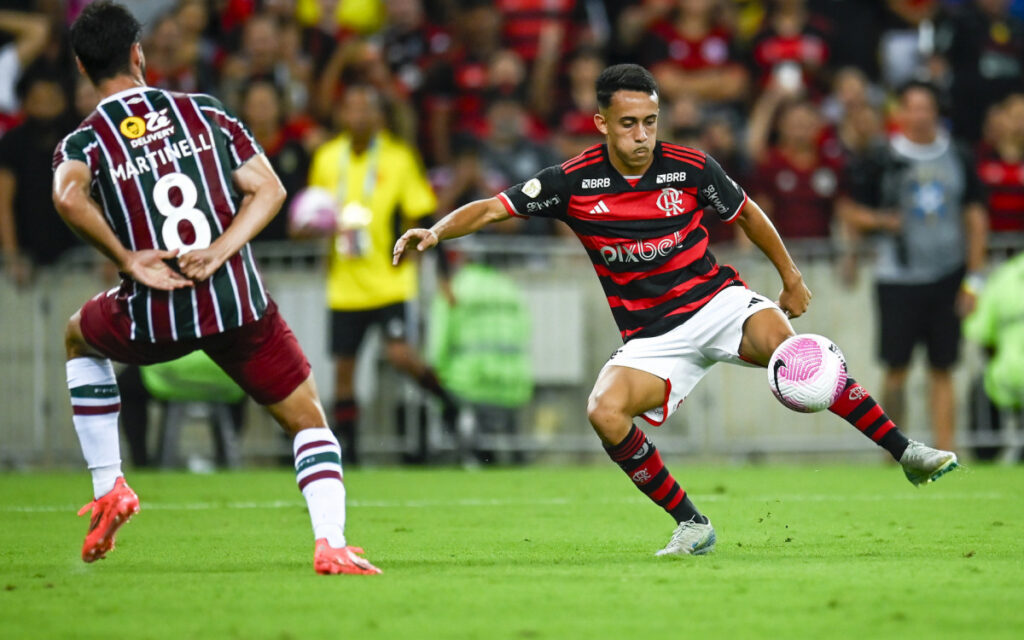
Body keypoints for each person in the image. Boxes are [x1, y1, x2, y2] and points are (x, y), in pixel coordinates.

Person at [394, 64, 959, 557]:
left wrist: (791, 276)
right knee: (604, 411)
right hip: (650, 337)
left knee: (793, 351)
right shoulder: (572, 181)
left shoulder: (688, 167)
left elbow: (748, 215)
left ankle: (905, 451)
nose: (641, 136)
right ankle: (691, 524)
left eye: (649, 122)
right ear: (601, 123)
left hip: (719, 303)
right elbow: (495, 209)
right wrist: (437, 232)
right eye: (627, 123)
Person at [51, 2, 378, 575]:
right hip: (236, 303)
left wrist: (128, 260)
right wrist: (223, 251)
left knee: (79, 338)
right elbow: (269, 190)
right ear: (138, 54)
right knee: (308, 422)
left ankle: (111, 486)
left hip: (154, 310)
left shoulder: (85, 143)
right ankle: (331, 543)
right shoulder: (204, 111)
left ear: (82, 67)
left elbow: (66, 197)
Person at [306, 83, 458, 464]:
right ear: (342, 115)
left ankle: (449, 405)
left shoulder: (398, 157)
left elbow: (417, 208)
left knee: (401, 355)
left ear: (377, 116)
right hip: (345, 283)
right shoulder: (327, 158)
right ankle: (350, 453)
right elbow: (314, 211)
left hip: (390, 281)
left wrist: (410, 255)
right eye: (351, 108)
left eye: (365, 109)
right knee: (343, 368)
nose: (358, 116)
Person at [841, 80, 989, 453]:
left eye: (927, 107)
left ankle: (946, 448)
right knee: (896, 368)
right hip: (897, 277)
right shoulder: (880, 157)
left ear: (936, 111)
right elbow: (851, 210)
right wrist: (878, 225)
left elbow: (975, 217)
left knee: (944, 367)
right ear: (900, 112)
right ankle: (896, 451)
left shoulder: (959, 154)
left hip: (949, 274)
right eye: (913, 107)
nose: (920, 115)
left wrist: (974, 279)